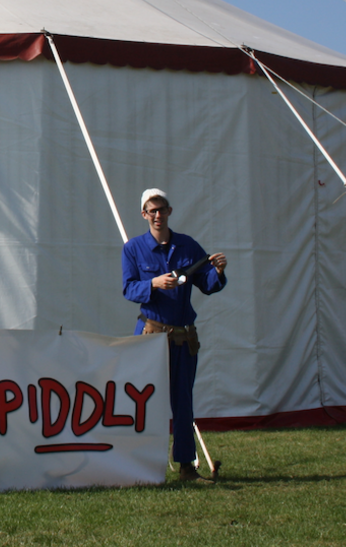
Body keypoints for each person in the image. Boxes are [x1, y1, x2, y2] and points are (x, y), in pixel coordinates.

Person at [122, 188, 227, 482]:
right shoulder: (133, 249)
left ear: (170, 211)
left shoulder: (188, 246)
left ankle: (185, 466)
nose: (157, 215)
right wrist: (153, 283)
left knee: (183, 400)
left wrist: (217, 272)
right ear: (144, 214)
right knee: (143, 399)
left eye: (162, 209)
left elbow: (206, 283)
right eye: (151, 211)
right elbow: (129, 289)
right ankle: (138, 464)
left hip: (183, 336)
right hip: (150, 334)